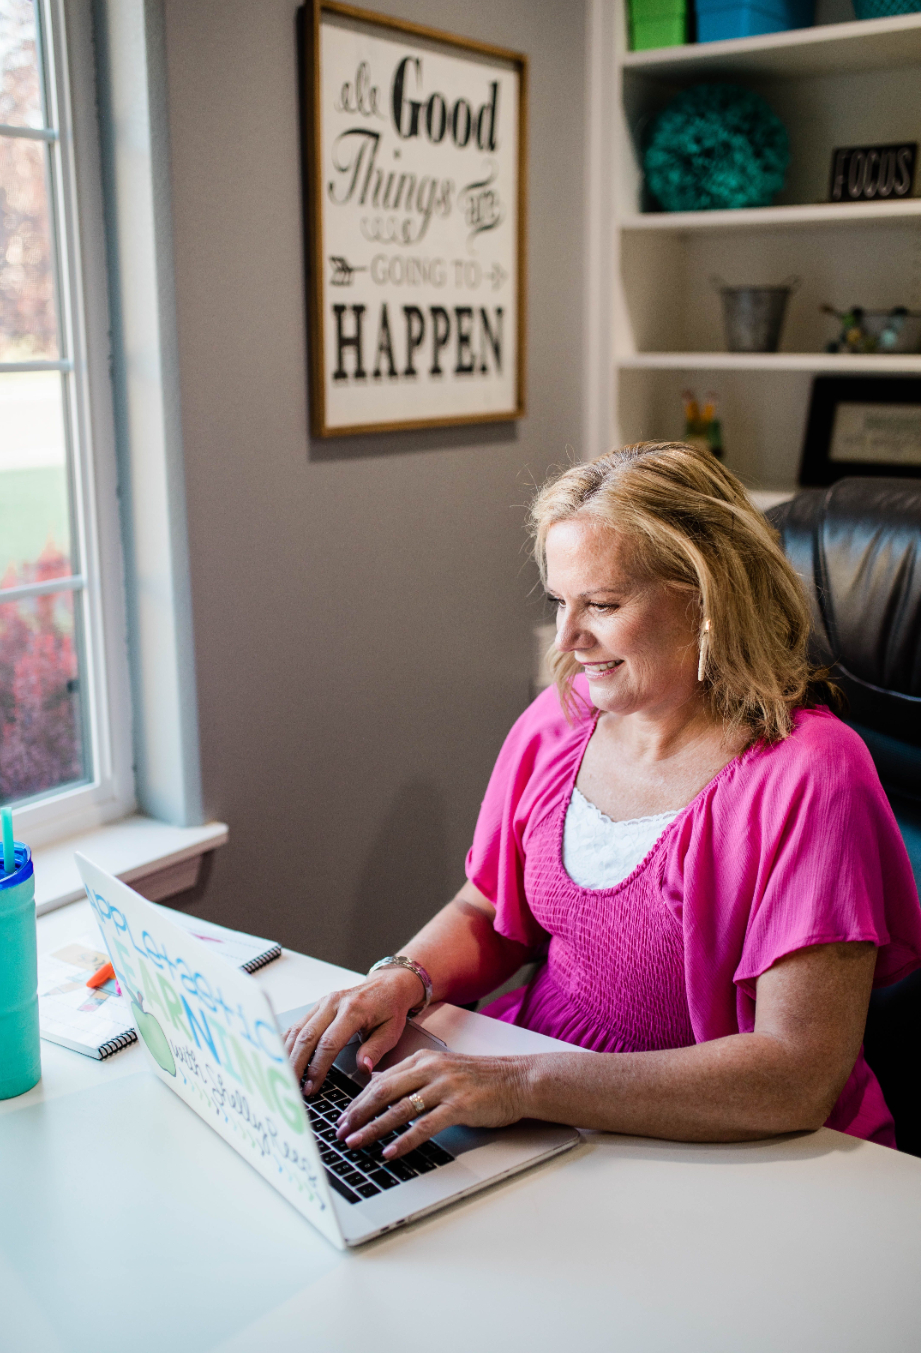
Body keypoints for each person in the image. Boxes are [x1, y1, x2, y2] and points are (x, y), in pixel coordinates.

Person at [286, 443, 921, 1163]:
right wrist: (404, 977)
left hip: (718, 1140)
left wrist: (523, 1084)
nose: (567, 639)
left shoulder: (812, 772)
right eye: (560, 602)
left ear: (707, 597)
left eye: (603, 605)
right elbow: (491, 911)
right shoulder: (559, 720)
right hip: (531, 1087)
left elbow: (795, 1075)